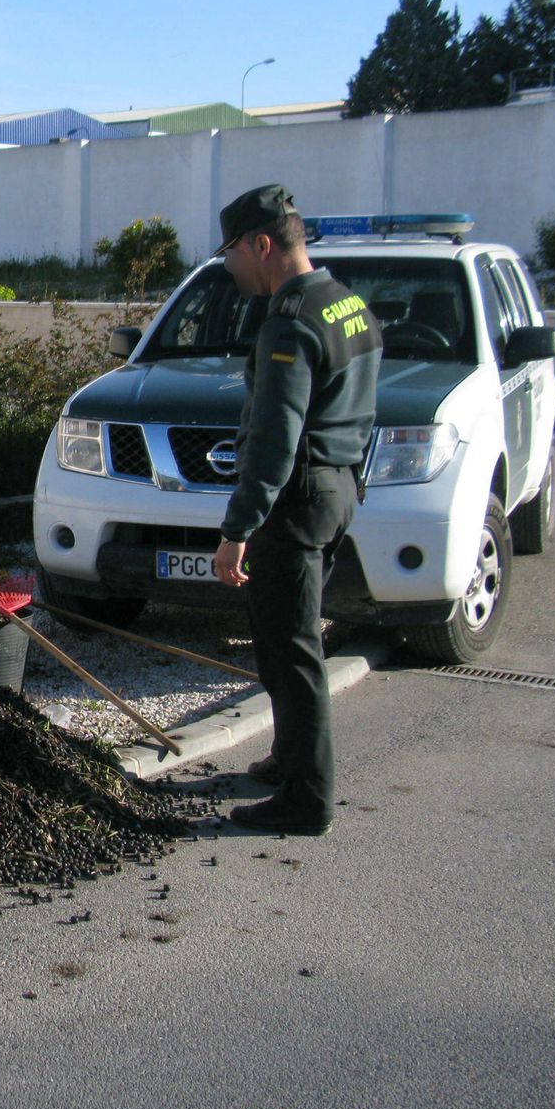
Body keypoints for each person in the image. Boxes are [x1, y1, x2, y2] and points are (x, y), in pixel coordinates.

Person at [210, 185, 381, 837]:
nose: (229, 265)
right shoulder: (347, 304)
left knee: (293, 651)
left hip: (295, 501)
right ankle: (288, 760)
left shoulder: (290, 322)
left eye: (231, 251)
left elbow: (275, 439)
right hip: (336, 490)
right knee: (281, 638)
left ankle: (307, 800)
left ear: (261, 245)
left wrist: (238, 528)